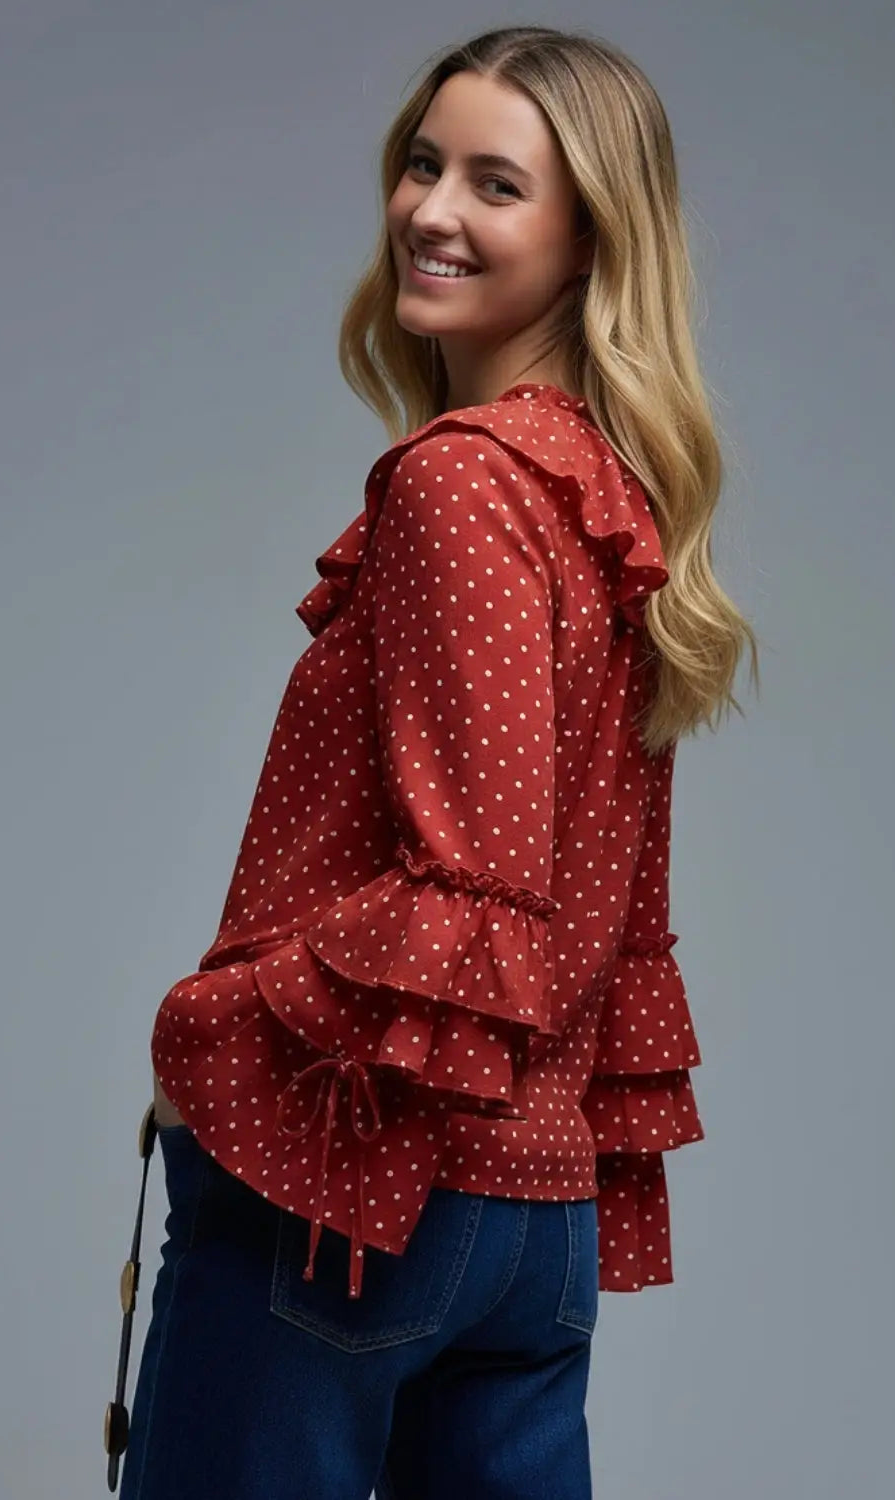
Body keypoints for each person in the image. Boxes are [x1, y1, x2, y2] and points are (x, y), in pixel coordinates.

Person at [107, 23, 759, 1500]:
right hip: (536, 1221)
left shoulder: (462, 481)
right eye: (421, 165)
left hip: (358, 1189)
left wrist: (212, 1032)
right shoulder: (606, 496)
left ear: (592, 239)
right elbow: (591, 905)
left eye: (495, 184)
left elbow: (478, 890)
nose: (432, 211)